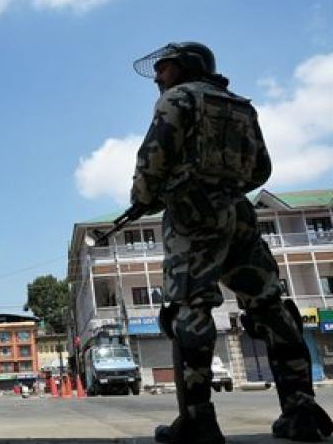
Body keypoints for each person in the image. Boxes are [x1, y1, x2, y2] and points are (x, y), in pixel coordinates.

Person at [129, 42, 333, 443]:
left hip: (193, 218)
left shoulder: (179, 98)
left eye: (164, 68)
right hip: (240, 216)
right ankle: (302, 413)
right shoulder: (241, 105)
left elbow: (152, 158)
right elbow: (262, 168)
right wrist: (225, 192)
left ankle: (198, 420)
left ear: (186, 67)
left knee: (191, 308)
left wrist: (148, 197)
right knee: (271, 307)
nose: (158, 77)